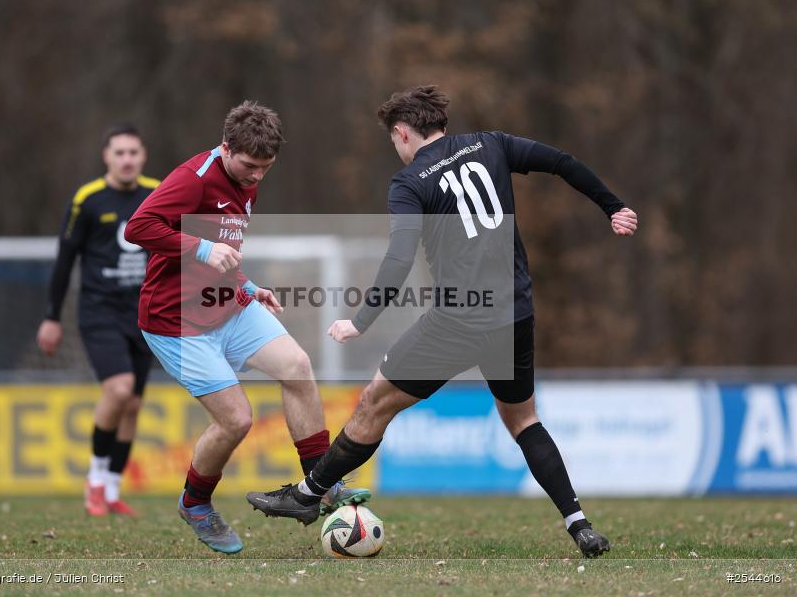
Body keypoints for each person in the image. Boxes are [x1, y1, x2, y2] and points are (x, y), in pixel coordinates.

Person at [247, 86, 639, 559]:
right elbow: (562, 161)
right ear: (442, 125)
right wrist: (612, 205)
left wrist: (362, 321)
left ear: (402, 132)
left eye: (394, 140)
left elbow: (399, 256)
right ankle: (580, 526)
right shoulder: (491, 143)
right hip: (513, 313)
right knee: (522, 417)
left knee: (374, 402)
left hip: (458, 318)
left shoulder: (409, 182)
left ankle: (308, 497)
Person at [123, 101, 369, 555]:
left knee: (296, 365)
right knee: (236, 420)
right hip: (176, 320)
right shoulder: (193, 178)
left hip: (226, 304)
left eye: (266, 168)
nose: (256, 176)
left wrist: (249, 286)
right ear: (225, 148)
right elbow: (138, 227)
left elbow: (225, 248)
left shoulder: (246, 181)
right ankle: (195, 503)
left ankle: (320, 485)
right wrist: (200, 249)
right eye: (249, 166)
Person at [37, 124, 160, 517]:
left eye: (133, 153)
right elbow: (65, 258)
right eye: (119, 152)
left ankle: (111, 490)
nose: (126, 159)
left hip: (145, 312)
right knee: (120, 389)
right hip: (100, 311)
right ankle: (93, 480)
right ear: (106, 157)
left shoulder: (157, 194)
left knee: (134, 404)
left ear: (142, 157)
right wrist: (51, 317)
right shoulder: (87, 199)